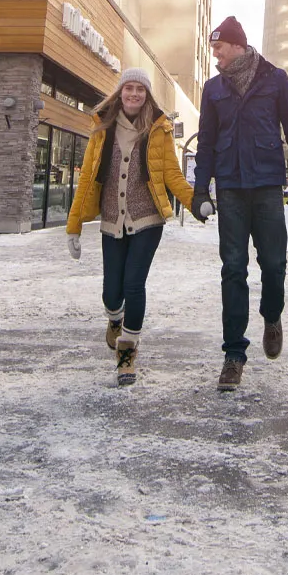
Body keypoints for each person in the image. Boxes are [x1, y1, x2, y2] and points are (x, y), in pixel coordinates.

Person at [194, 16, 288, 392]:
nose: (214, 54)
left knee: (274, 264)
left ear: (236, 45)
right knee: (233, 269)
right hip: (230, 187)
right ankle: (233, 355)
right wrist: (200, 190)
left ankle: (272, 315)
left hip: (266, 185)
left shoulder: (274, 78)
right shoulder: (213, 88)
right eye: (213, 48)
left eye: (218, 47)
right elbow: (206, 143)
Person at [66, 68, 200, 386]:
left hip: (147, 221)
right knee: (112, 291)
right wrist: (73, 226)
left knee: (134, 285)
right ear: (120, 92)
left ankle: (127, 354)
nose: (134, 94)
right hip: (112, 220)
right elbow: (86, 178)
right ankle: (114, 318)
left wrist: (196, 203)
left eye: (141, 89)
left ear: (147, 95)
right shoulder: (102, 129)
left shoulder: (159, 130)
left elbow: (172, 175)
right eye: (129, 88)